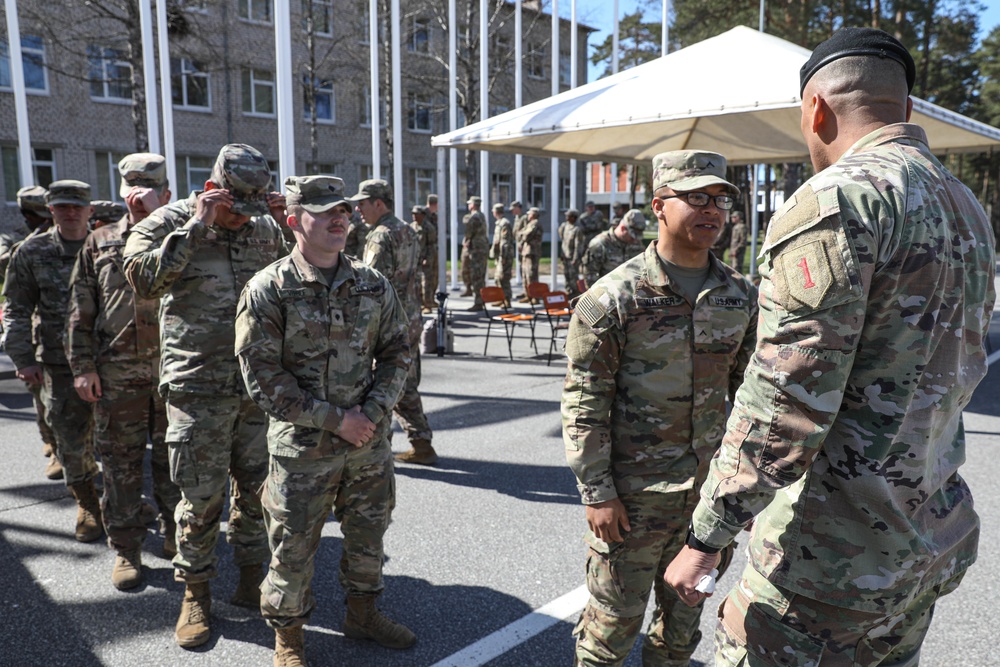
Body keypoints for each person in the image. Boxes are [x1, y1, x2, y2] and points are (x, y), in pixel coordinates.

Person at [664, 28, 996, 667]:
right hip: (923, 538)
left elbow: (786, 396)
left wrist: (708, 534)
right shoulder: (965, 205)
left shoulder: (839, 200)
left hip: (828, 559)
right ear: (905, 110)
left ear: (816, 110)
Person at [563, 150, 757, 667]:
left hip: (707, 504)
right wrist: (598, 492)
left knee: (680, 633)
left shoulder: (740, 296)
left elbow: (754, 400)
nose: (711, 209)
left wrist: (747, 493)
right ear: (658, 205)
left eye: (720, 199)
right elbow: (584, 404)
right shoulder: (614, 298)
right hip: (632, 500)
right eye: (696, 197)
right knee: (608, 634)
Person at [236, 175, 415, 666]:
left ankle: (362, 613)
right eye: (324, 211)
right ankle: (289, 638)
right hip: (303, 451)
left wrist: (373, 416)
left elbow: (399, 351)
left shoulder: (371, 283)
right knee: (292, 547)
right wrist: (337, 421)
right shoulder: (269, 289)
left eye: (344, 209)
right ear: (293, 221)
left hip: (367, 443)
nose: (340, 218)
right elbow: (263, 379)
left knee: (367, 535)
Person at [122, 143, 288, 648]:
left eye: (252, 209)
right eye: (237, 209)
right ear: (214, 190)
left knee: (261, 492)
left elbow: (299, 283)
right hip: (197, 385)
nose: (245, 219)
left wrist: (289, 228)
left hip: (257, 385)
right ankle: (195, 593)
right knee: (199, 497)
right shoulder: (170, 221)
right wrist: (194, 228)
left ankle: (250, 573)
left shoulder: (264, 225)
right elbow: (140, 280)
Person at [66, 153, 182, 590]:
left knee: (178, 463)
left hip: (176, 373)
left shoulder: (186, 239)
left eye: (147, 187)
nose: (138, 196)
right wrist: (82, 367)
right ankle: (128, 549)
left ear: (166, 194)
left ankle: (176, 534)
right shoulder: (101, 241)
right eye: (130, 187)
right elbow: (80, 310)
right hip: (118, 375)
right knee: (120, 466)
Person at [2, 180, 101, 541]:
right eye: (62, 206)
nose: (70, 212)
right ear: (50, 210)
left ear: (90, 210)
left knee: (122, 444)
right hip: (60, 364)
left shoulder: (108, 245)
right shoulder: (32, 251)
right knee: (70, 441)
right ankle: (88, 503)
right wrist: (22, 356)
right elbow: (15, 307)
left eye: (77, 206)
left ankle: (125, 504)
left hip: (115, 362)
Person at [351, 179, 438, 466]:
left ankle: (378, 449)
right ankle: (421, 441)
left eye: (362, 203)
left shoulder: (380, 236)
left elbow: (371, 284)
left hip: (388, 320)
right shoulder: (408, 231)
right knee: (405, 381)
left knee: (382, 383)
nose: (357, 209)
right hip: (411, 315)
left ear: (379, 203)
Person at [0, 185, 59, 480]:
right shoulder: (12, 239)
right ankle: (51, 441)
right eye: (40, 216)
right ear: (26, 215)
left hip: (66, 331)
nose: (47, 221)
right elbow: (5, 266)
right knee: (42, 394)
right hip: (36, 329)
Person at [580, 209, 646, 289]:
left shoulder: (637, 244)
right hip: (607, 295)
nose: (635, 240)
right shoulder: (599, 244)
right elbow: (590, 276)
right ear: (622, 228)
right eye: (632, 236)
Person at [460, 195, 488, 310]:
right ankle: (478, 298)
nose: (468, 205)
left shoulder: (475, 217)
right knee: (478, 274)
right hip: (481, 247)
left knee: (477, 275)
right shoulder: (481, 215)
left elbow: (469, 231)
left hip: (476, 249)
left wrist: (467, 240)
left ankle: (479, 302)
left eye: (469, 204)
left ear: (473, 205)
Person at [412, 205, 439, 314]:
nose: (414, 216)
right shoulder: (412, 227)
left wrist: (428, 259)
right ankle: (419, 303)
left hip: (425, 259)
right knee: (416, 283)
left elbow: (431, 245)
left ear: (422, 215)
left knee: (426, 283)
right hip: (415, 259)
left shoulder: (428, 228)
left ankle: (428, 304)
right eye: (413, 214)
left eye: (416, 214)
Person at [489, 202, 515, 305]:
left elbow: (505, 242)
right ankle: (501, 298)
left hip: (505, 255)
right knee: (498, 277)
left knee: (503, 277)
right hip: (500, 255)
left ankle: (507, 299)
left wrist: (503, 256)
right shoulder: (499, 223)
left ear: (496, 212)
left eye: (493, 211)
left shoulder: (504, 223)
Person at [515, 206, 543, 301]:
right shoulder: (529, 223)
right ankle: (528, 295)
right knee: (525, 275)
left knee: (532, 275)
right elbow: (520, 233)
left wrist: (521, 234)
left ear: (534, 215)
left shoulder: (535, 223)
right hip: (526, 252)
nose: (528, 215)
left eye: (529, 214)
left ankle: (535, 297)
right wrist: (521, 234)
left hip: (532, 252)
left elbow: (526, 235)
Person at [558, 208, 583, 298]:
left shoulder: (577, 229)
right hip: (565, 255)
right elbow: (563, 241)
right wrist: (562, 254)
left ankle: (576, 292)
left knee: (573, 276)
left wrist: (575, 258)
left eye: (568, 216)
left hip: (572, 257)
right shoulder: (565, 226)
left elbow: (578, 245)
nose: (566, 218)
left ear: (574, 217)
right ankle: (568, 291)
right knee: (566, 275)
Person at [509, 200, 529, 298]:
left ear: (518, 208)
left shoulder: (524, 218)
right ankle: (525, 290)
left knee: (526, 270)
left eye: (513, 209)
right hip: (519, 246)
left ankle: (529, 292)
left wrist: (521, 243)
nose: (512, 211)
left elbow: (525, 232)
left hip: (524, 246)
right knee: (522, 268)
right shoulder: (517, 218)